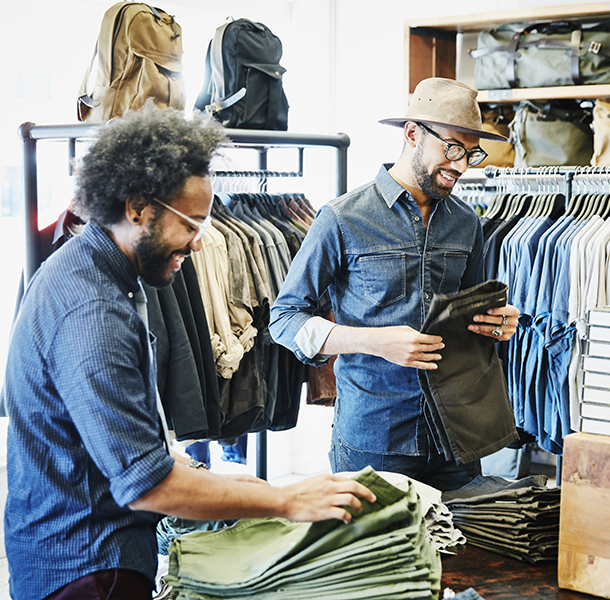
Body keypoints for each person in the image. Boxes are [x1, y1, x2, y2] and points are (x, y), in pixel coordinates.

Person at [1, 103, 375, 600]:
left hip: (76, 550)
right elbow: (149, 486)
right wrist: (285, 499)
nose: (200, 244)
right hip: (89, 569)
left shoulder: (90, 265)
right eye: (192, 224)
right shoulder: (93, 312)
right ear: (137, 208)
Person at [269, 77, 521, 493]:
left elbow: (469, 319)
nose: (461, 166)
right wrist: (373, 341)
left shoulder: (467, 223)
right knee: (376, 558)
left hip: (456, 437)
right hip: (375, 439)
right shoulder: (342, 218)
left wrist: (496, 324)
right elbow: (284, 319)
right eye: (452, 149)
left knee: (463, 557)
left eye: (471, 154)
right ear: (411, 134)